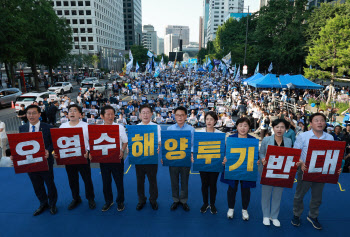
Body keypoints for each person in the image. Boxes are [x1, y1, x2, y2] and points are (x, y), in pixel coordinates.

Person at [291, 113, 342, 230]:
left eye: (322, 120)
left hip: (321, 171)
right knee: (299, 195)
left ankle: (313, 216)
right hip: (305, 170)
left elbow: (332, 155)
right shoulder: (303, 136)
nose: (320, 123)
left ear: (325, 123)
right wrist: (301, 163)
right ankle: (296, 214)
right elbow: (295, 153)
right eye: (316, 120)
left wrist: (336, 167)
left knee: (317, 196)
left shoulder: (329, 137)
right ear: (311, 123)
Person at [16, 105, 58, 216]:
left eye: (34, 113)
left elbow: (54, 143)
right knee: (37, 185)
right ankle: (43, 203)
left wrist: (49, 151)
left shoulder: (48, 127)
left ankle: (53, 204)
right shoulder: (22, 128)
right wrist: (15, 155)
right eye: (29, 113)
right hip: (30, 163)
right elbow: (20, 145)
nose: (31, 115)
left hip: (45, 162)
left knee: (50, 184)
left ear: (39, 114)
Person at [57, 104, 96, 210]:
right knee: (72, 180)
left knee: (87, 179)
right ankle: (76, 198)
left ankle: (90, 198)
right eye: (70, 111)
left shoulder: (86, 126)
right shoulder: (63, 126)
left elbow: (91, 141)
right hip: (69, 157)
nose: (72, 113)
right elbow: (59, 142)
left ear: (80, 114)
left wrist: (88, 151)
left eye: (75, 111)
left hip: (83, 157)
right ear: (67, 114)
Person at [258, 119, 293, 227]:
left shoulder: (288, 141)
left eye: (282, 127)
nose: (279, 129)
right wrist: (263, 159)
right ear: (273, 128)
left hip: (281, 171)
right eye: (277, 127)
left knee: (278, 194)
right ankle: (266, 215)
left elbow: (290, 155)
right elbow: (262, 152)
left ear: (285, 129)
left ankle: (274, 216)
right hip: (267, 169)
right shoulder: (266, 139)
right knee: (266, 193)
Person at [222, 117, 256, 220]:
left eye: (245, 126)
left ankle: (244, 210)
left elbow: (255, 155)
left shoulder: (252, 140)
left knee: (246, 190)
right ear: (236, 126)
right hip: (234, 167)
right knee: (232, 189)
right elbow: (225, 152)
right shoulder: (231, 138)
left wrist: (257, 160)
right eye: (240, 125)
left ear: (249, 127)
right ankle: (231, 208)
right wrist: (224, 159)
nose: (242, 128)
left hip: (246, 168)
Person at [98, 105, 128, 212]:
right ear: (102, 116)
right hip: (104, 160)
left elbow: (125, 141)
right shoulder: (97, 128)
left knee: (119, 181)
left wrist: (122, 150)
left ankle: (120, 202)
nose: (111, 116)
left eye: (112, 114)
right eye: (108, 114)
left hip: (117, 159)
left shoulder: (119, 127)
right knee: (106, 182)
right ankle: (108, 201)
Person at [193, 111, 223, 214]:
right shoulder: (199, 132)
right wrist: (193, 156)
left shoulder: (220, 134)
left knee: (213, 184)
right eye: (207, 119)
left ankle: (212, 204)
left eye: (211, 119)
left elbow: (223, 149)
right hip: (203, 162)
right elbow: (194, 147)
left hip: (215, 163)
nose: (209, 121)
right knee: (204, 184)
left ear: (215, 121)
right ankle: (205, 203)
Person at [165, 106, 195, 212]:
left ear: (186, 116)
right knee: (174, 180)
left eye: (182, 115)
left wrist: (191, 153)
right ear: (174, 116)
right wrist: (165, 156)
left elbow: (193, 144)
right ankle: (175, 200)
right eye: (178, 115)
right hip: (173, 159)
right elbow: (166, 145)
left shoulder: (191, 129)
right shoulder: (170, 129)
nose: (180, 117)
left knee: (184, 181)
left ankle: (183, 201)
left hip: (185, 159)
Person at [135, 104, 161, 211]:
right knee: (140, 181)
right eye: (143, 113)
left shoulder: (156, 126)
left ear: (151, 114)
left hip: (151, 158)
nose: (145, 115)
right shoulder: (136, 127)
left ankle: (153, 200)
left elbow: (159, 141)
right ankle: (141, 200)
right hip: (139, 159)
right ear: (140, 115)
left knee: (152, 181)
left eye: (147, 112)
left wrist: (158, 146)